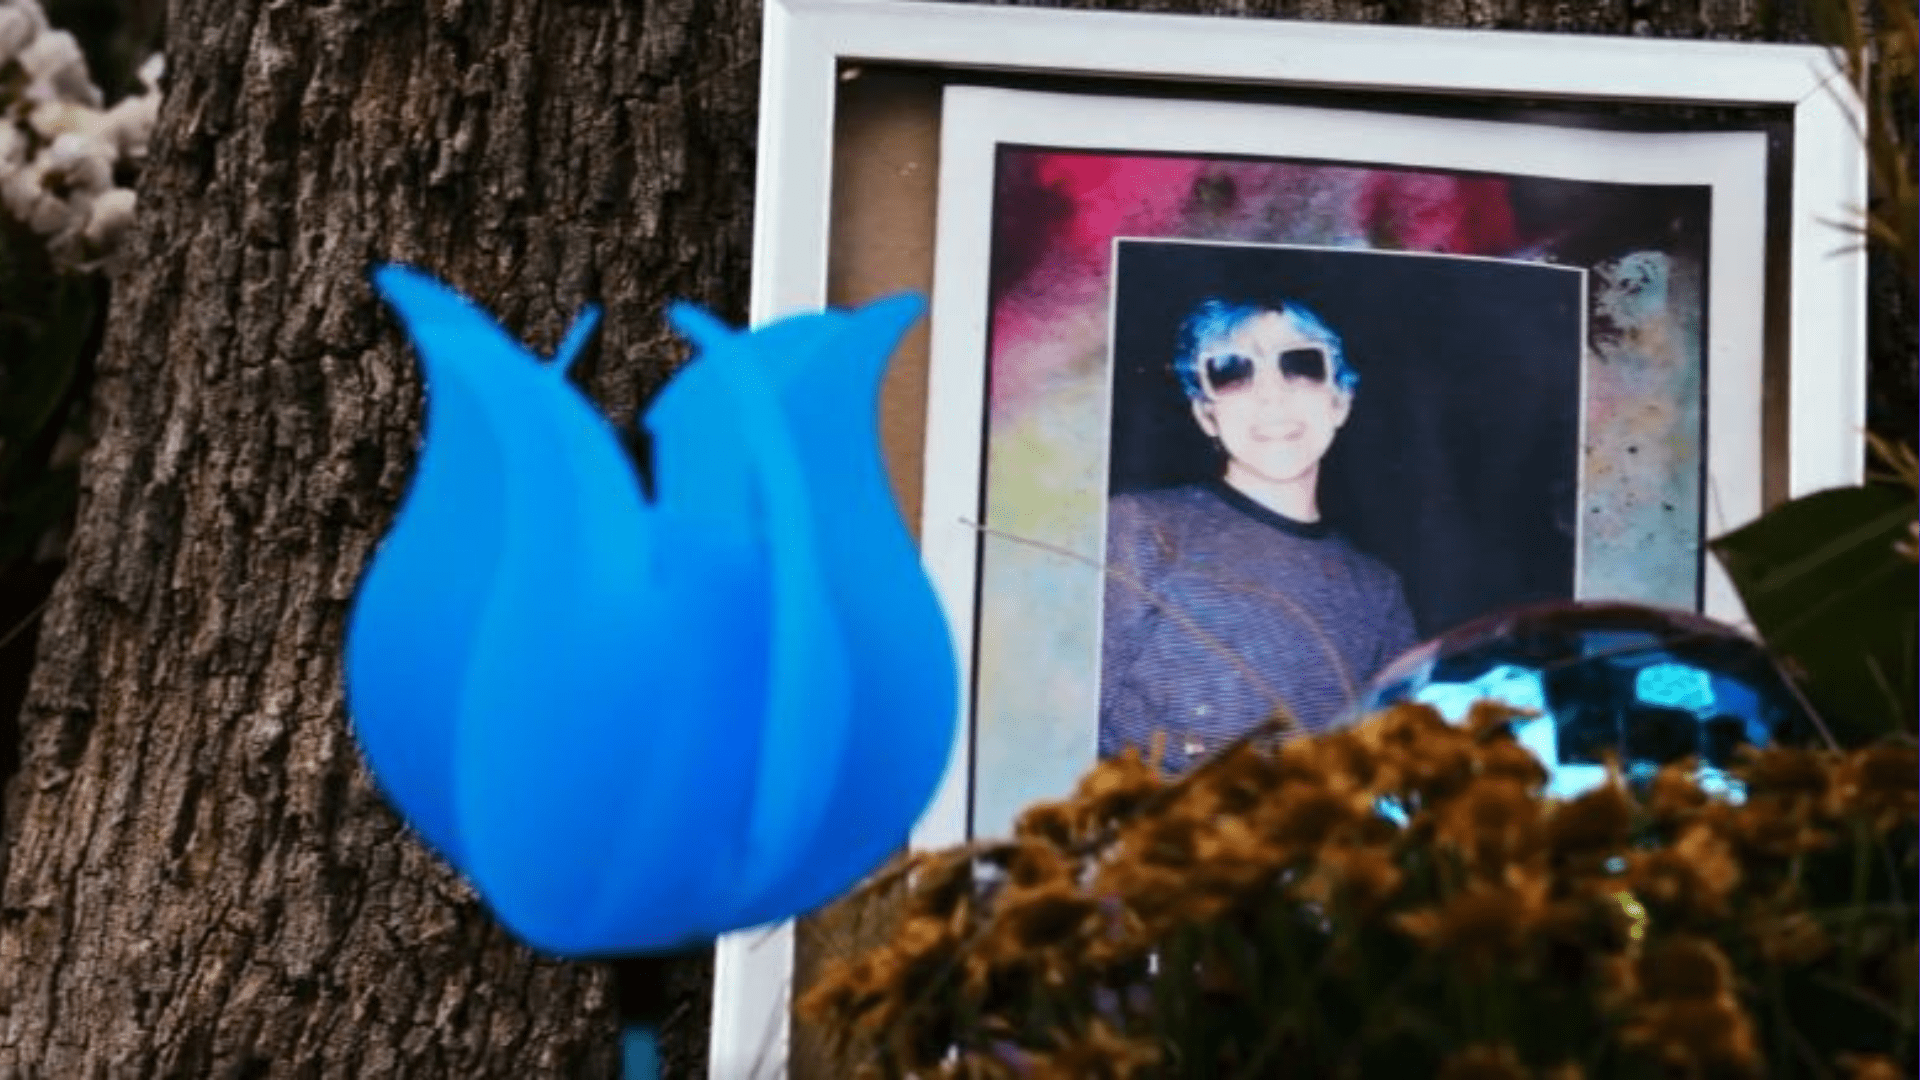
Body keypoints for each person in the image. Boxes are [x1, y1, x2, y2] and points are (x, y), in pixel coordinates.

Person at [1099, 296, 1418, 771]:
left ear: (1340, 401)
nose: (1272, 395)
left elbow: (1392, 770)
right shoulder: (1136, 530)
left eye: (1301, 366)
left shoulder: (1376, 591)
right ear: (1206, 415)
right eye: (1233, 371)